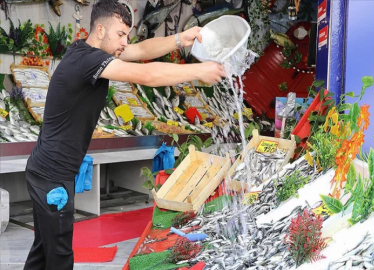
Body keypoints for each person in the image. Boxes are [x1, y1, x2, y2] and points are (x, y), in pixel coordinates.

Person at [23, 0, 226, 269]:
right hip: (52, 177)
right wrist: (199, 71)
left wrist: (180, 39)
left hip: (46, 171)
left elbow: (141, 50)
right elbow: (145, 74)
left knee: (43, 251)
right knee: (59, 256)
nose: (124, 42)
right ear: (99, 29)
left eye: (126, 36)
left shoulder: (85, 51)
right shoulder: (88, 60)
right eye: (120, 34)